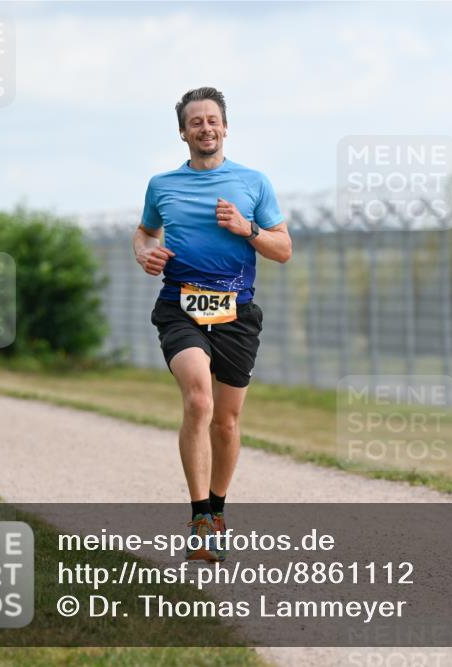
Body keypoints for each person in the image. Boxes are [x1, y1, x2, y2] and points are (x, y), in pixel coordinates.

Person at [133, 87, 292, 562]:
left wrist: (249, 229)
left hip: (236, 313)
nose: (205, 128)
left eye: (212, 120)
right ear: (182, 132)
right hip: (179, 306)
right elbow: (144, 232)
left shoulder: (253, 182)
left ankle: (218, 510)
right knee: (198, 397)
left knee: (226, 421)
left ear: (225, 127)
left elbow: (283, 249)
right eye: (195, 121)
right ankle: (200, 516)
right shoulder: (162, 185)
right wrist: (146, 253)